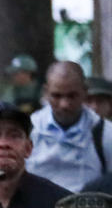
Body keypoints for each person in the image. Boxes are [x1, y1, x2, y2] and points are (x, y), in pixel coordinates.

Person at [28, 61, 106, 192]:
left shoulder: (104, 134)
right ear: (46, 92)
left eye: (72, 96)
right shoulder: (29, 129)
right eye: (56, 96)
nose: (64, 104)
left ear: (85, 92)